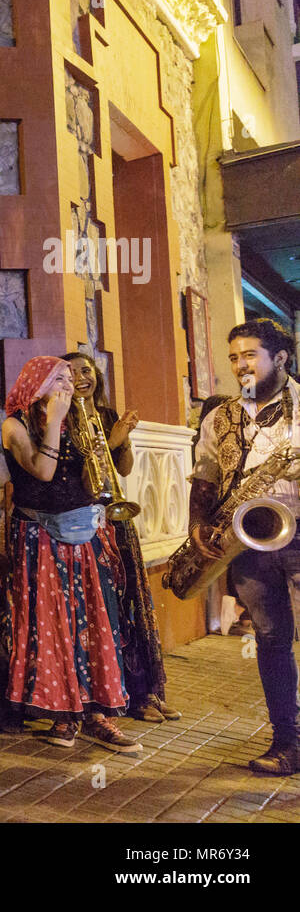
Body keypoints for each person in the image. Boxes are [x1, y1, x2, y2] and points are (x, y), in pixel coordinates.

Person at [1, 356, 139, 753]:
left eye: (70, 376)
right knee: (54, 623)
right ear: (36, 384)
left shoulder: (81, 420)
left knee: (94, 619)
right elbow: (42, 471)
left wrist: (103, 448)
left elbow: (91, 477)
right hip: (41, 535)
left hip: (84, 534)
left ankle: (100, 714)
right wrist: (56, 421)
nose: (69, 382)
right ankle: (63, 713)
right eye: (58, 376)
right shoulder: (16, 424)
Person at [188, 319, 300, 774]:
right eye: (234, 356)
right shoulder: (221, 415)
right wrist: (196, 520)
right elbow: (206, 472)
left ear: (281, 358)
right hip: (250, 540)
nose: (240, 365)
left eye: (250, 354)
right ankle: (288, 742)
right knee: (272, 641)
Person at [62, 351, 180, 724]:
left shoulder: (106, 414)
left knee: (132, 603)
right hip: (87, 522)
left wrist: (122, 438)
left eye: (87, 370)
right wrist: (110, 441)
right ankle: (119, 694)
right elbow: (73, 474)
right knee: (106, 609)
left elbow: (124, 468)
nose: (83, 377)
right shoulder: (61, 420)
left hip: (118, 517)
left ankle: (145, 690)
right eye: (73, 372)